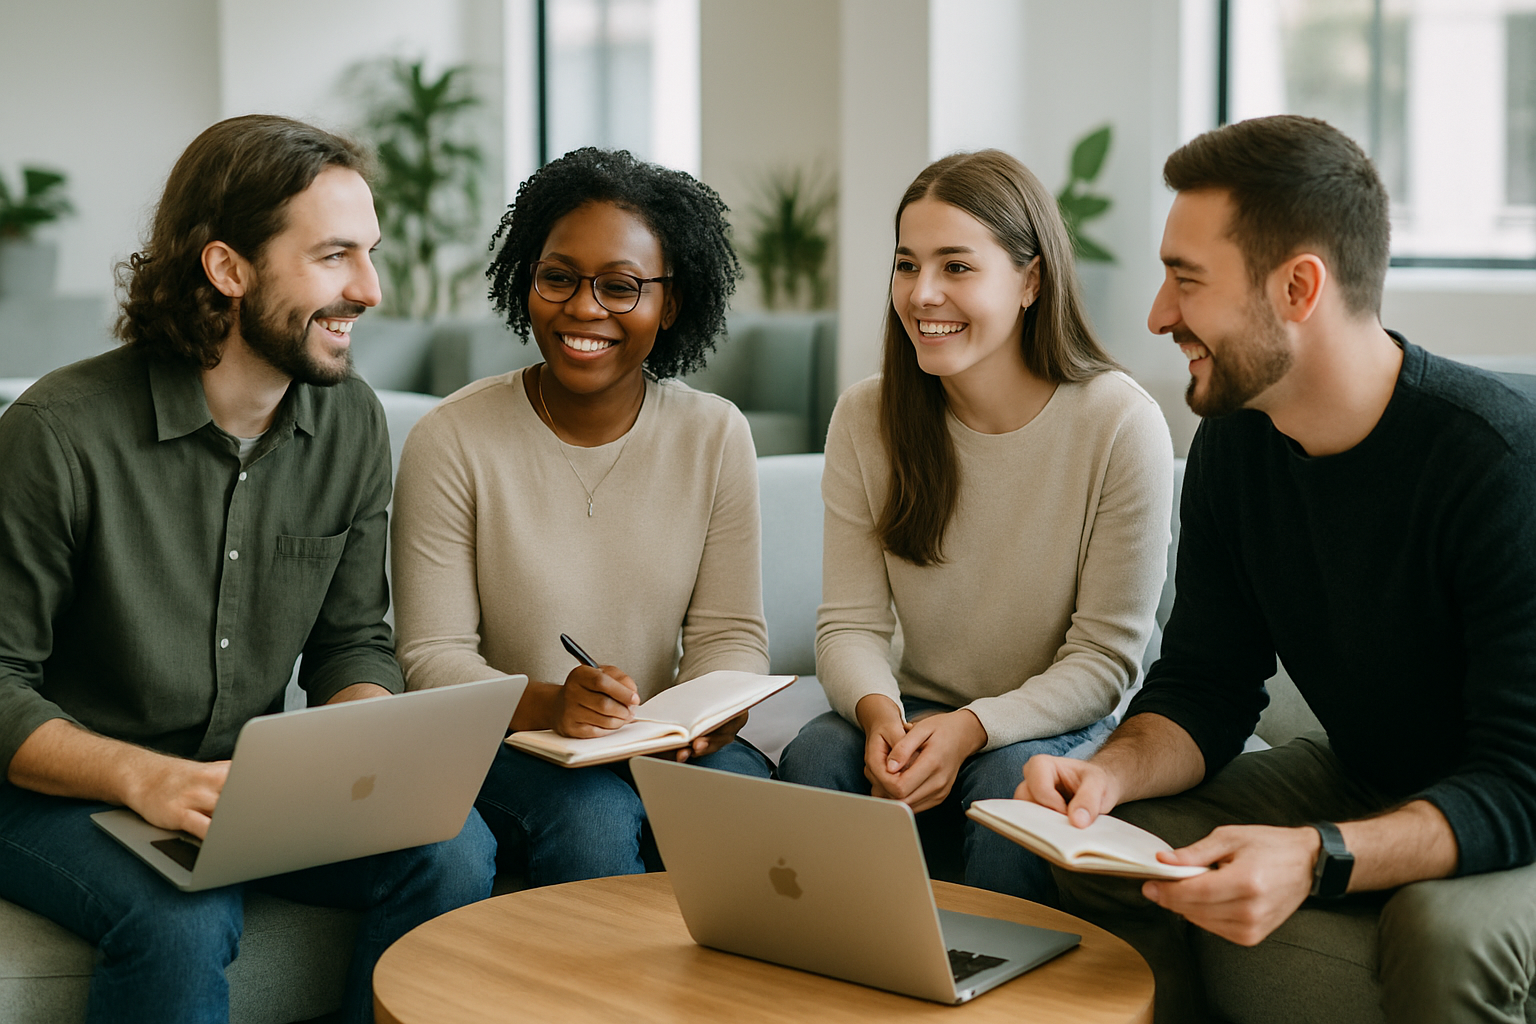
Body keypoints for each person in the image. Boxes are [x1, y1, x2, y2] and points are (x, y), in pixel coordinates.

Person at [1017, 114, 1536, 1024]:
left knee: (1441, 935)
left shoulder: (1495, 467)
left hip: (1516, 797)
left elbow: (1519, 781)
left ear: (1298, 287)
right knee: (1098, 844)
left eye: (1186, 279)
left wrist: (1318, 854)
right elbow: (1208, 687)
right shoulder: (1236, 443)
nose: (1156, 315)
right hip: (1377, 772)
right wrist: (1111, 774)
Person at [0, 115, 496, 1024]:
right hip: (57, 796)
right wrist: (138, 777)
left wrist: (364, 741)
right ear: (227, 270)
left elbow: (354, 640)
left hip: (241, 785)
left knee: (453, 847)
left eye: (370, 253)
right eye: (335, 256)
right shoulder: (55, 434)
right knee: (182, 915)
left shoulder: (349, 425)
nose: (370, 289)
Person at [777, 150, 1173, 902]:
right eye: (906, 264)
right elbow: (851, 625)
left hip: (1058, 718)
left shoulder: (1120, 423)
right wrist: (880, 714)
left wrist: (970, 728)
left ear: (1030, 281)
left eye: (957, 267)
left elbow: (1104, 662)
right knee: (817, 759)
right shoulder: (869, 415)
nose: (922, 294)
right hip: (917, 705)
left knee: (1006, 793)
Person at [391, 147, 771, 886]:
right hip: (507, 745)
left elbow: (730, 636)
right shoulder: (453, 437)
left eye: (621, 287)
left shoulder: (716, 434)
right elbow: (432, 658)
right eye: (558, 278)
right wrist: (549, 704)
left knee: (750, 803)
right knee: (592, 818)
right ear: (524, 280)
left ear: (673, 302)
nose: (584, 308)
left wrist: (712, 712)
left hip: (654, 736)